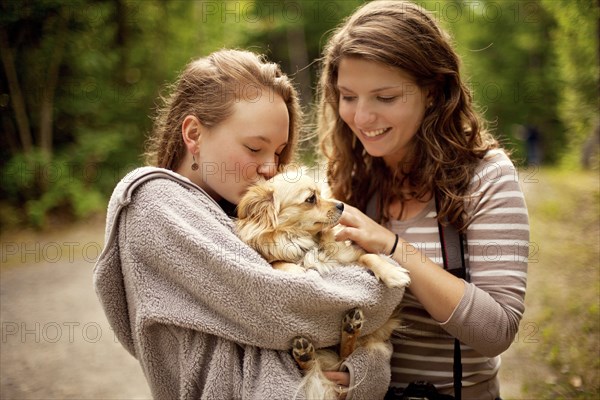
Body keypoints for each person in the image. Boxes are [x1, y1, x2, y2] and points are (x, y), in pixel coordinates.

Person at [93, 48, 406, 400]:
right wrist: (380, 288)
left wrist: (362, 372)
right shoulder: (155, 203)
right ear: (194, 133)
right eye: (255, 148)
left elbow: (347, 325)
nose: (271, 168)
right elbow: (289, 307)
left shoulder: (242, 213)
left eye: (279, 151)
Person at [317, 1, 529, 399]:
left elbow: (496, 332)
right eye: (348, 96)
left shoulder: (486, 177)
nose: (362, 117)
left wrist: (392, 247)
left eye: (385, 97)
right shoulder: (351, 175)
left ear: (431, 93)